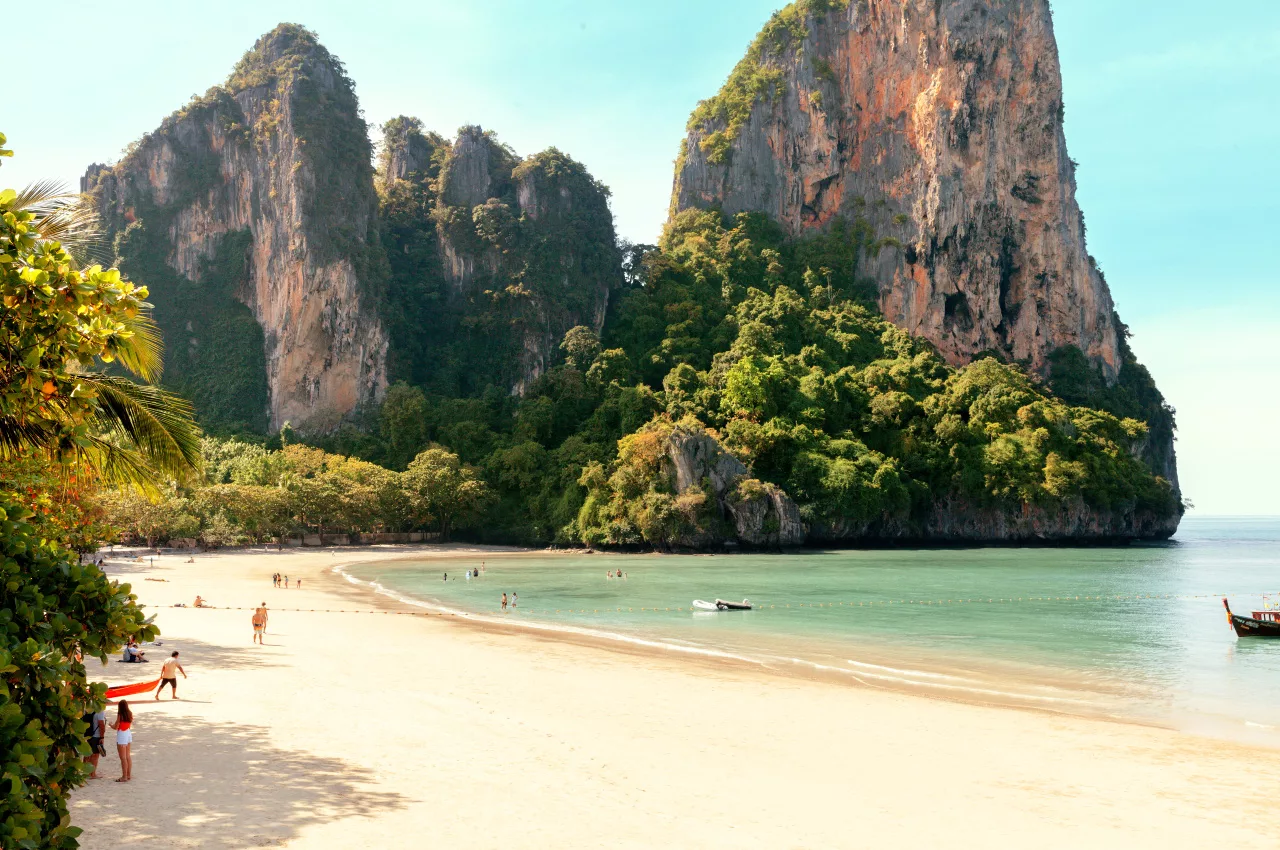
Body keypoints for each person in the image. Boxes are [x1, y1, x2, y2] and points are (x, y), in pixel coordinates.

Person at [110, 700, 134, 782]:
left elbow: (116, 726)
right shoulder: (129, 713)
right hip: (128, 733)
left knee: (123, 758)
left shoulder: (120, 714)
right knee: (128, 756)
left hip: (122, 735)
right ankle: (128, 775)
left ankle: (124, 776)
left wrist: (110, 725)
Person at [84, 707, 107, 779]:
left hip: (88, 735)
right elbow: (101, 725)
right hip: (96, 736)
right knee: (95, 756)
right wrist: (102, 737)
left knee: (87, 755)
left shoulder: (87, 709)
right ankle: (92, 774)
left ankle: (85, 773)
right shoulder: (100, 711)